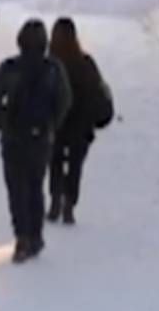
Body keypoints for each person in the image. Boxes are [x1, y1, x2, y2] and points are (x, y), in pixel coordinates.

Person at [0, 18, 73, 263]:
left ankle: (22, 235)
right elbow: (65, 100)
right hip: (40, 138)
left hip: (13, 138)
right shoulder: (53, 69)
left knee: (16, 189)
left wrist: (2, 123)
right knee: (35, 185)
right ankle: (36, 235)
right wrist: (52, 125)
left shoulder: (10, 68)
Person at [46, 16, 117, 227]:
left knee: (55, 162)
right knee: (76, 165)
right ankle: (70, 204)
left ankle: (55, 200)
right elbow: (98, 92)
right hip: (80, 126)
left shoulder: (50, 65)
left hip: (56, 125)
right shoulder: (86, 63)